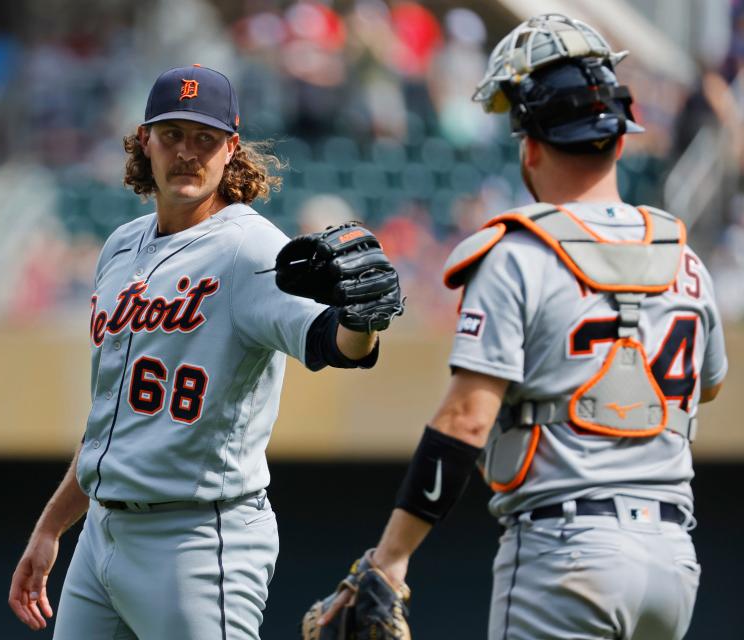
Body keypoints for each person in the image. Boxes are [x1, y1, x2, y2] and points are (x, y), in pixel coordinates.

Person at [306, 15, 727, 640]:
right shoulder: (685, 257)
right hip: (673, 562)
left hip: (566, 550)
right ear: (619, 138)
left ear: (529, 143)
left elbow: (466, 421)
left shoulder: (519, 253)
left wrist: (389, 560)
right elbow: (707, 386)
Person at [8, 64, 401, 639]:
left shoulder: (250, 247)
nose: (187, 154)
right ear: (146, 140)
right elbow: (109, 427)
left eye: (205, 139)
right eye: (172, 136)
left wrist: (363, 320)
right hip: (100, 536)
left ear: (231, 149)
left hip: (195, 540)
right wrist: (50, 527)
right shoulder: (120, 247)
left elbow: (334, 344)